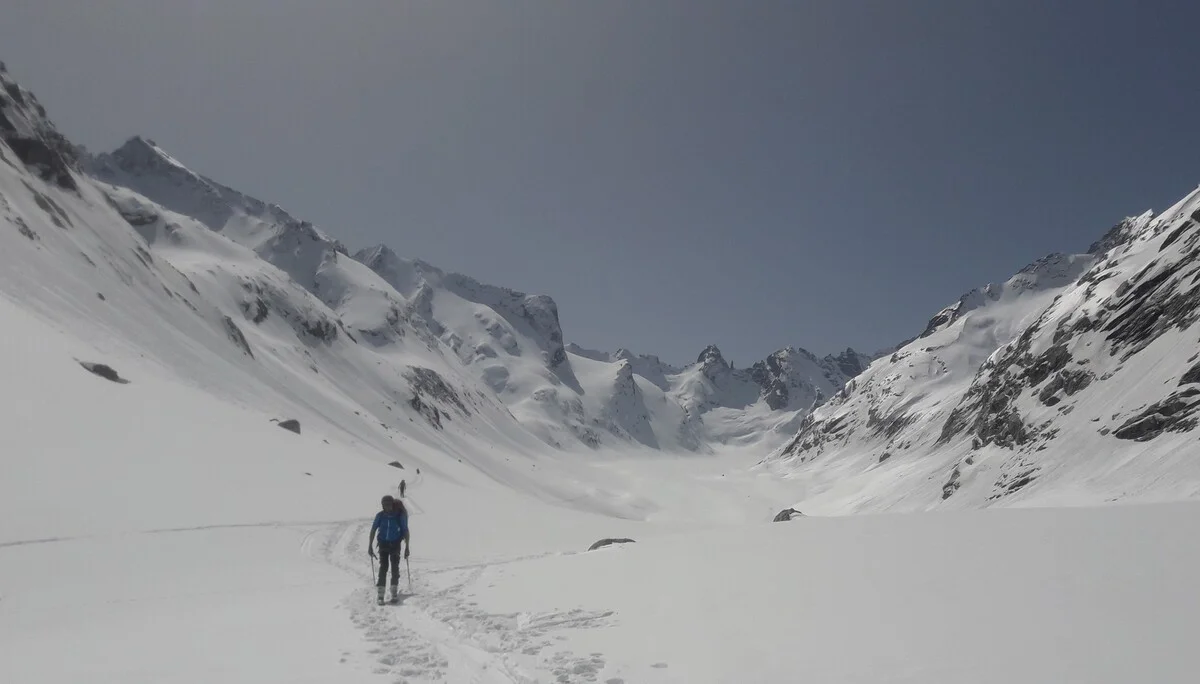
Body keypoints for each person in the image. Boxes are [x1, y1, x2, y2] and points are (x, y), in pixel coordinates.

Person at [368, 495, 409, 604]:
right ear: (382, 505)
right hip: (383, 544)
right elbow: (373, 530)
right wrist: (370, 545)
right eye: (385, 505)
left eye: (389, 504)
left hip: (395, 543)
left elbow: (405, 530)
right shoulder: (380, 516)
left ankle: (393, 592)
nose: (387, 507)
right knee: (383, 567)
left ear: (392, 504)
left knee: (395, 567)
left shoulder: (398, 515)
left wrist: (407, 547)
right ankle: (381, 594)